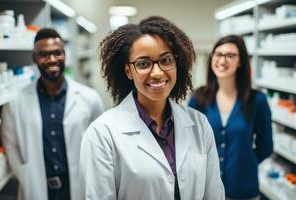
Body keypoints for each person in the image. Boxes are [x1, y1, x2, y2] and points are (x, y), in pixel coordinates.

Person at [80, 16, 225, 200]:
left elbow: (213, 193)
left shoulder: (199, 124)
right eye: (143, 64)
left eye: (165, 60)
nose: (157, 73)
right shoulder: (102, 133)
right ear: (128, 71)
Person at [1, 28, 104, 200]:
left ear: (65, 54)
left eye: (57, 53)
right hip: (37, 188)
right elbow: (11, 146)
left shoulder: (90, 98)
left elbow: (101, 145)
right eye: (44, 54)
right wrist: (26, 176)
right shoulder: (15, 102)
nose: (52, 60)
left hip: (78, 188)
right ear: (34, 58)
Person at [188, 35, 273, 199]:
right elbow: (187, 142)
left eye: (230, 55)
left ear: (241, 62)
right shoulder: (199, 98)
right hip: (205, 189)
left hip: (244, 191)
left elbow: (266, 146)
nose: (222, 60)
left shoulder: (257, 100)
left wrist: (244, 163)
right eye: (218, 54)